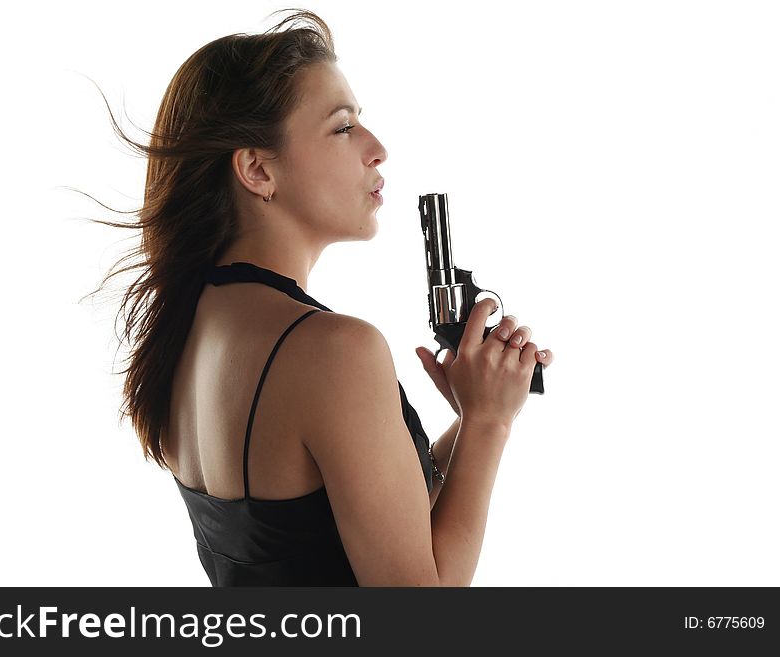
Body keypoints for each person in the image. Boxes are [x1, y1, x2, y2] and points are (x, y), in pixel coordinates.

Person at [93, 9, 553, 586]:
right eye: (342, 127)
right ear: (258, 170)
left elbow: (343, 525)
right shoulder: (334, 350)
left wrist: (476, 412)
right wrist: (487, 425)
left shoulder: (189, 329)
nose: (377, 148)